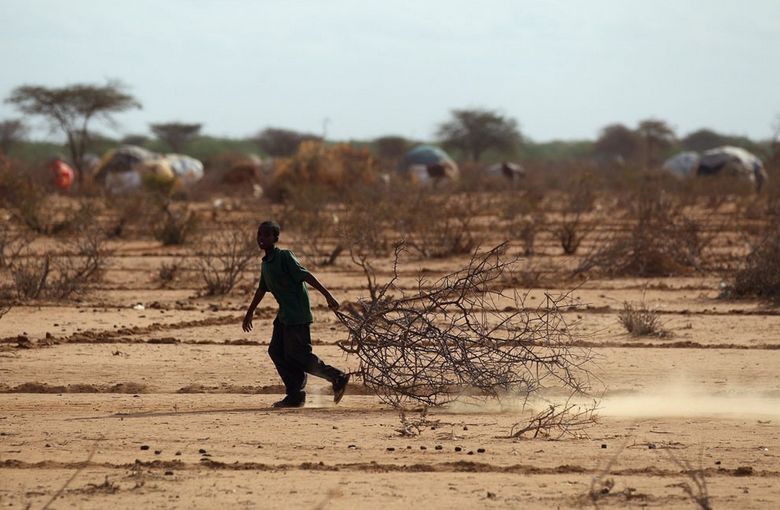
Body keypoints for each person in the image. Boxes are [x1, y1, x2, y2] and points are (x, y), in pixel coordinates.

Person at [242, 220, 349, 408]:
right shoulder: (266, 263)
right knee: (276, 351)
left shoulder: (284, 257)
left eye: (266, 235)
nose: (261, 238)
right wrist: (249, 313)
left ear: (275, 238)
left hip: (297, 314)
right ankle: (295, 394)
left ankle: (337, 377)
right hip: (284, 315)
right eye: (259, 234)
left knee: (299, 355)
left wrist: (328, 296)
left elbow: (306, 275)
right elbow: (261, 290)